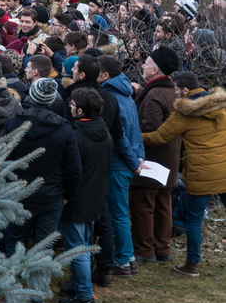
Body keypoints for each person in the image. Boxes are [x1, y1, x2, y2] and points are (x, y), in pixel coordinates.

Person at [141, 73, 226, 277]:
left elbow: (160, 137)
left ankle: (192, 264)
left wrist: (131, 136)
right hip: (224, 169)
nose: (175, 93)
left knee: (194, 220)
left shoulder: (184, 113)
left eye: (176, 90)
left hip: (201, 173)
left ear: (185, 91)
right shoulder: (221, 106)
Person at [1, 78, 80, 257]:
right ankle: (39, 282)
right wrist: (68, 194)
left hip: (20, 193)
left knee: (16, 240)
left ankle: (12, 282)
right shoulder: (64, 129)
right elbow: (73, 168)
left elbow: (4, 160)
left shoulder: (14, 124)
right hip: (50, 194)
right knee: (44, 244)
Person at [59, 86, 111, 303]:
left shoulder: (77, 137)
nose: (69, 107)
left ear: (80, 111)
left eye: (71, 105)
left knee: (77, 247)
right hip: (95, 196)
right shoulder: (104, 133)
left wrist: (65, 196)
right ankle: (80, 284)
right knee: (86, 243)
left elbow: (71, 171)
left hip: (77, 200)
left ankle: (84, 295)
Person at [130, 46, 181, 264]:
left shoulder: (155, 94)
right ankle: (162, 248)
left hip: (153, 160)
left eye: (147, 62)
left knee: (144, 204)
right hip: (169, 158)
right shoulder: (170, 91)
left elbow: (149, 129)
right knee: (163, 205)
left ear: (155, 69)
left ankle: (144, 249)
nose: (143, 64)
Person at [97, 56, 145, 278]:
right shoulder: (127, 95)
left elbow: (121, 135)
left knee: (117, 213)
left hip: (119, 164)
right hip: (128, 161)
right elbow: (136, 129)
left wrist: (134, 161)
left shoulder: (113, 98)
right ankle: (129, 257)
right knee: (120, 212)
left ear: (105, 75)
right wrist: (139, 156)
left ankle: (123, 260)